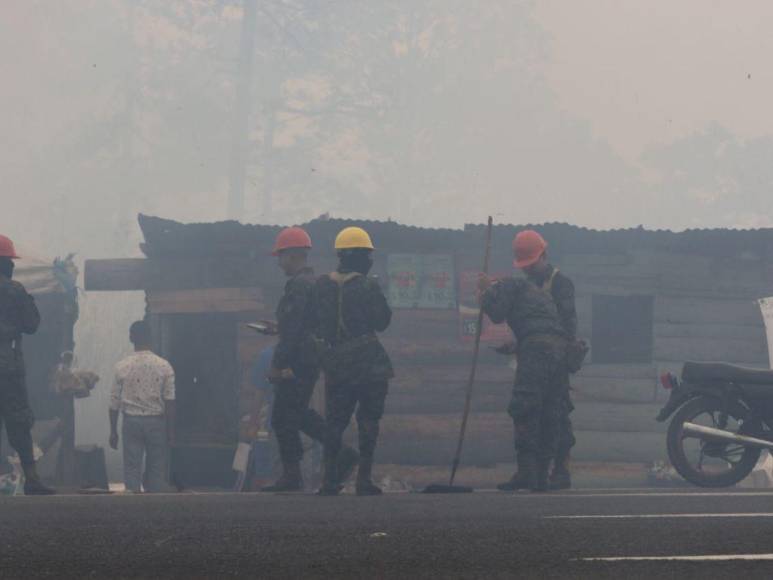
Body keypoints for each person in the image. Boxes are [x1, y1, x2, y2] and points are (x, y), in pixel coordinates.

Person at [259, 227, 358, 492]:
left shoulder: (299, 286)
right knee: (297, 414)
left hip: (297, 361)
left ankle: (295, 475)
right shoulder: (314, 283)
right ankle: (329, 457)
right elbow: (302, 325)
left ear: (291, 255)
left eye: (280, 257)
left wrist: (278, 364)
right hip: (309, 359)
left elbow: (293, 332)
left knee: (282, 417)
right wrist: (278, 327)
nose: (279, 263)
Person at [479, 240, 570, 492]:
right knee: (550, 410)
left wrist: (485, 293)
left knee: (525, 408)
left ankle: (527, 473)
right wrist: (517, 346)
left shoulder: (509, 285)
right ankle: (541, 475)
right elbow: (542, 330)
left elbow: (497, 313)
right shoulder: (539, 294)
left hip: (537, 352)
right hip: (556, 352)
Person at [315, 227, 393, 496]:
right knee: (369, 420)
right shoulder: (368, 285)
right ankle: (364, 478)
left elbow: (315, 324)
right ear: (362, 256)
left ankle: (328, 480)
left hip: (337, 362)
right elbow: (382, 321)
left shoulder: (322, 285)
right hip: (368, 361)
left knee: (335, 422)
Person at [515, 230, 577, 490]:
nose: (529, 271)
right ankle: (530, 472)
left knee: (558, 414)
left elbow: (568, 324)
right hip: (531, 360)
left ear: (543, 256)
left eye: (532, 265)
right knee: (530, 412)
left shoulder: (561, 284)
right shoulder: (526, 286)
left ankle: (561, 470)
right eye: (525, 267)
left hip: (556, 360)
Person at [0, 234, 56, 495]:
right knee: (19, 422)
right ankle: (32, 479)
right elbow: (32, 325)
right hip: (8, 366)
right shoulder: (14, 290)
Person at [109, 320, 175, 493]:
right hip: (156, 423)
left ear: (131, 338)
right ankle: (154, 508)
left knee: (132, 468)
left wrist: (113, 431)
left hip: (131, 422)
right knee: (156, 469)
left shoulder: (122, 366)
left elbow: (114, 401)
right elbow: (170, 400)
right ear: (151, 337)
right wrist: (170, 430)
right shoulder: (164, 366)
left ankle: (133, 508)